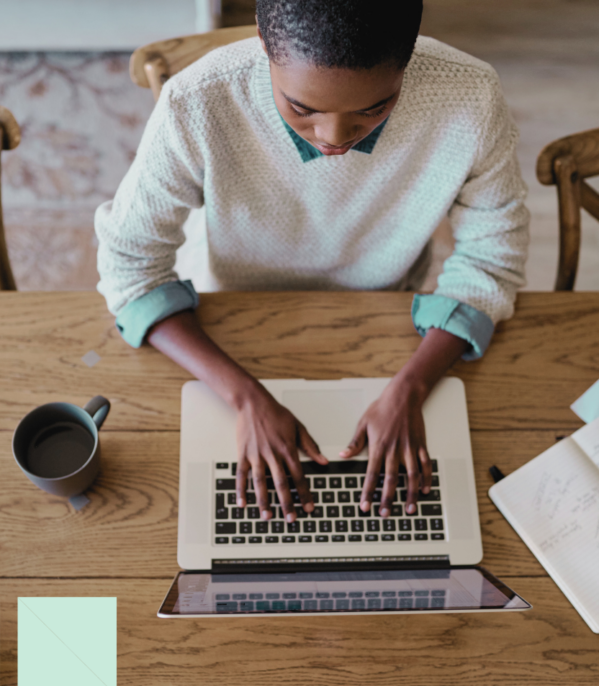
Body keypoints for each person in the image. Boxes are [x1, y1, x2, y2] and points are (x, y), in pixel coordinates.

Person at [95, 0, 529, 527]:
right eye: (302, 108)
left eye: (374, 108)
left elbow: (493, 253)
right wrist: (245, 398)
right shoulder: (196, 100)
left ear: (409, 58)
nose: (334, 139)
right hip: (228, 313)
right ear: (262, 39)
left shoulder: (471, 97)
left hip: (387, 315)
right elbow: (130, 267)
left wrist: (413, 386)